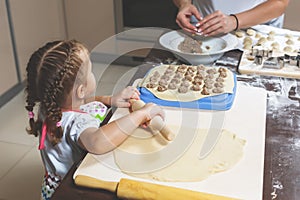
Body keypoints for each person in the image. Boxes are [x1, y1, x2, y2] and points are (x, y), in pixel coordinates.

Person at [24, 40, 164, 200]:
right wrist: (141, 114)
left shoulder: (48, 105)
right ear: (81, 90)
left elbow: (81, 102)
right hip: (70, 190)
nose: (93, 73)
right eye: (91, 70)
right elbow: (97, 142)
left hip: (51, 183)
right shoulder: (78, 123)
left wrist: (110, 100)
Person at [173, 0, 289, 37]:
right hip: (202, 30)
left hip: (257, 32)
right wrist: (184, 4)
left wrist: (235, 21)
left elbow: (280, 2)